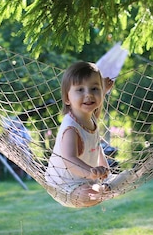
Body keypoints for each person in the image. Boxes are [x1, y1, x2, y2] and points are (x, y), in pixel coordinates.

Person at [45, 61, 115, 207]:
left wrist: (104, 90)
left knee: (127, 176)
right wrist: (91, 172)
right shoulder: (71, 129)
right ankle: (106, 189)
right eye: (80, 90)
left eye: (94, 89)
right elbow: (69, 160)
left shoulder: (90, 118)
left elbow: (95, 143)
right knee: (88, 195)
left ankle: (105, 188)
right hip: (64, 184)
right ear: (67, 98)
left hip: (87, 178)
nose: (88, 94)